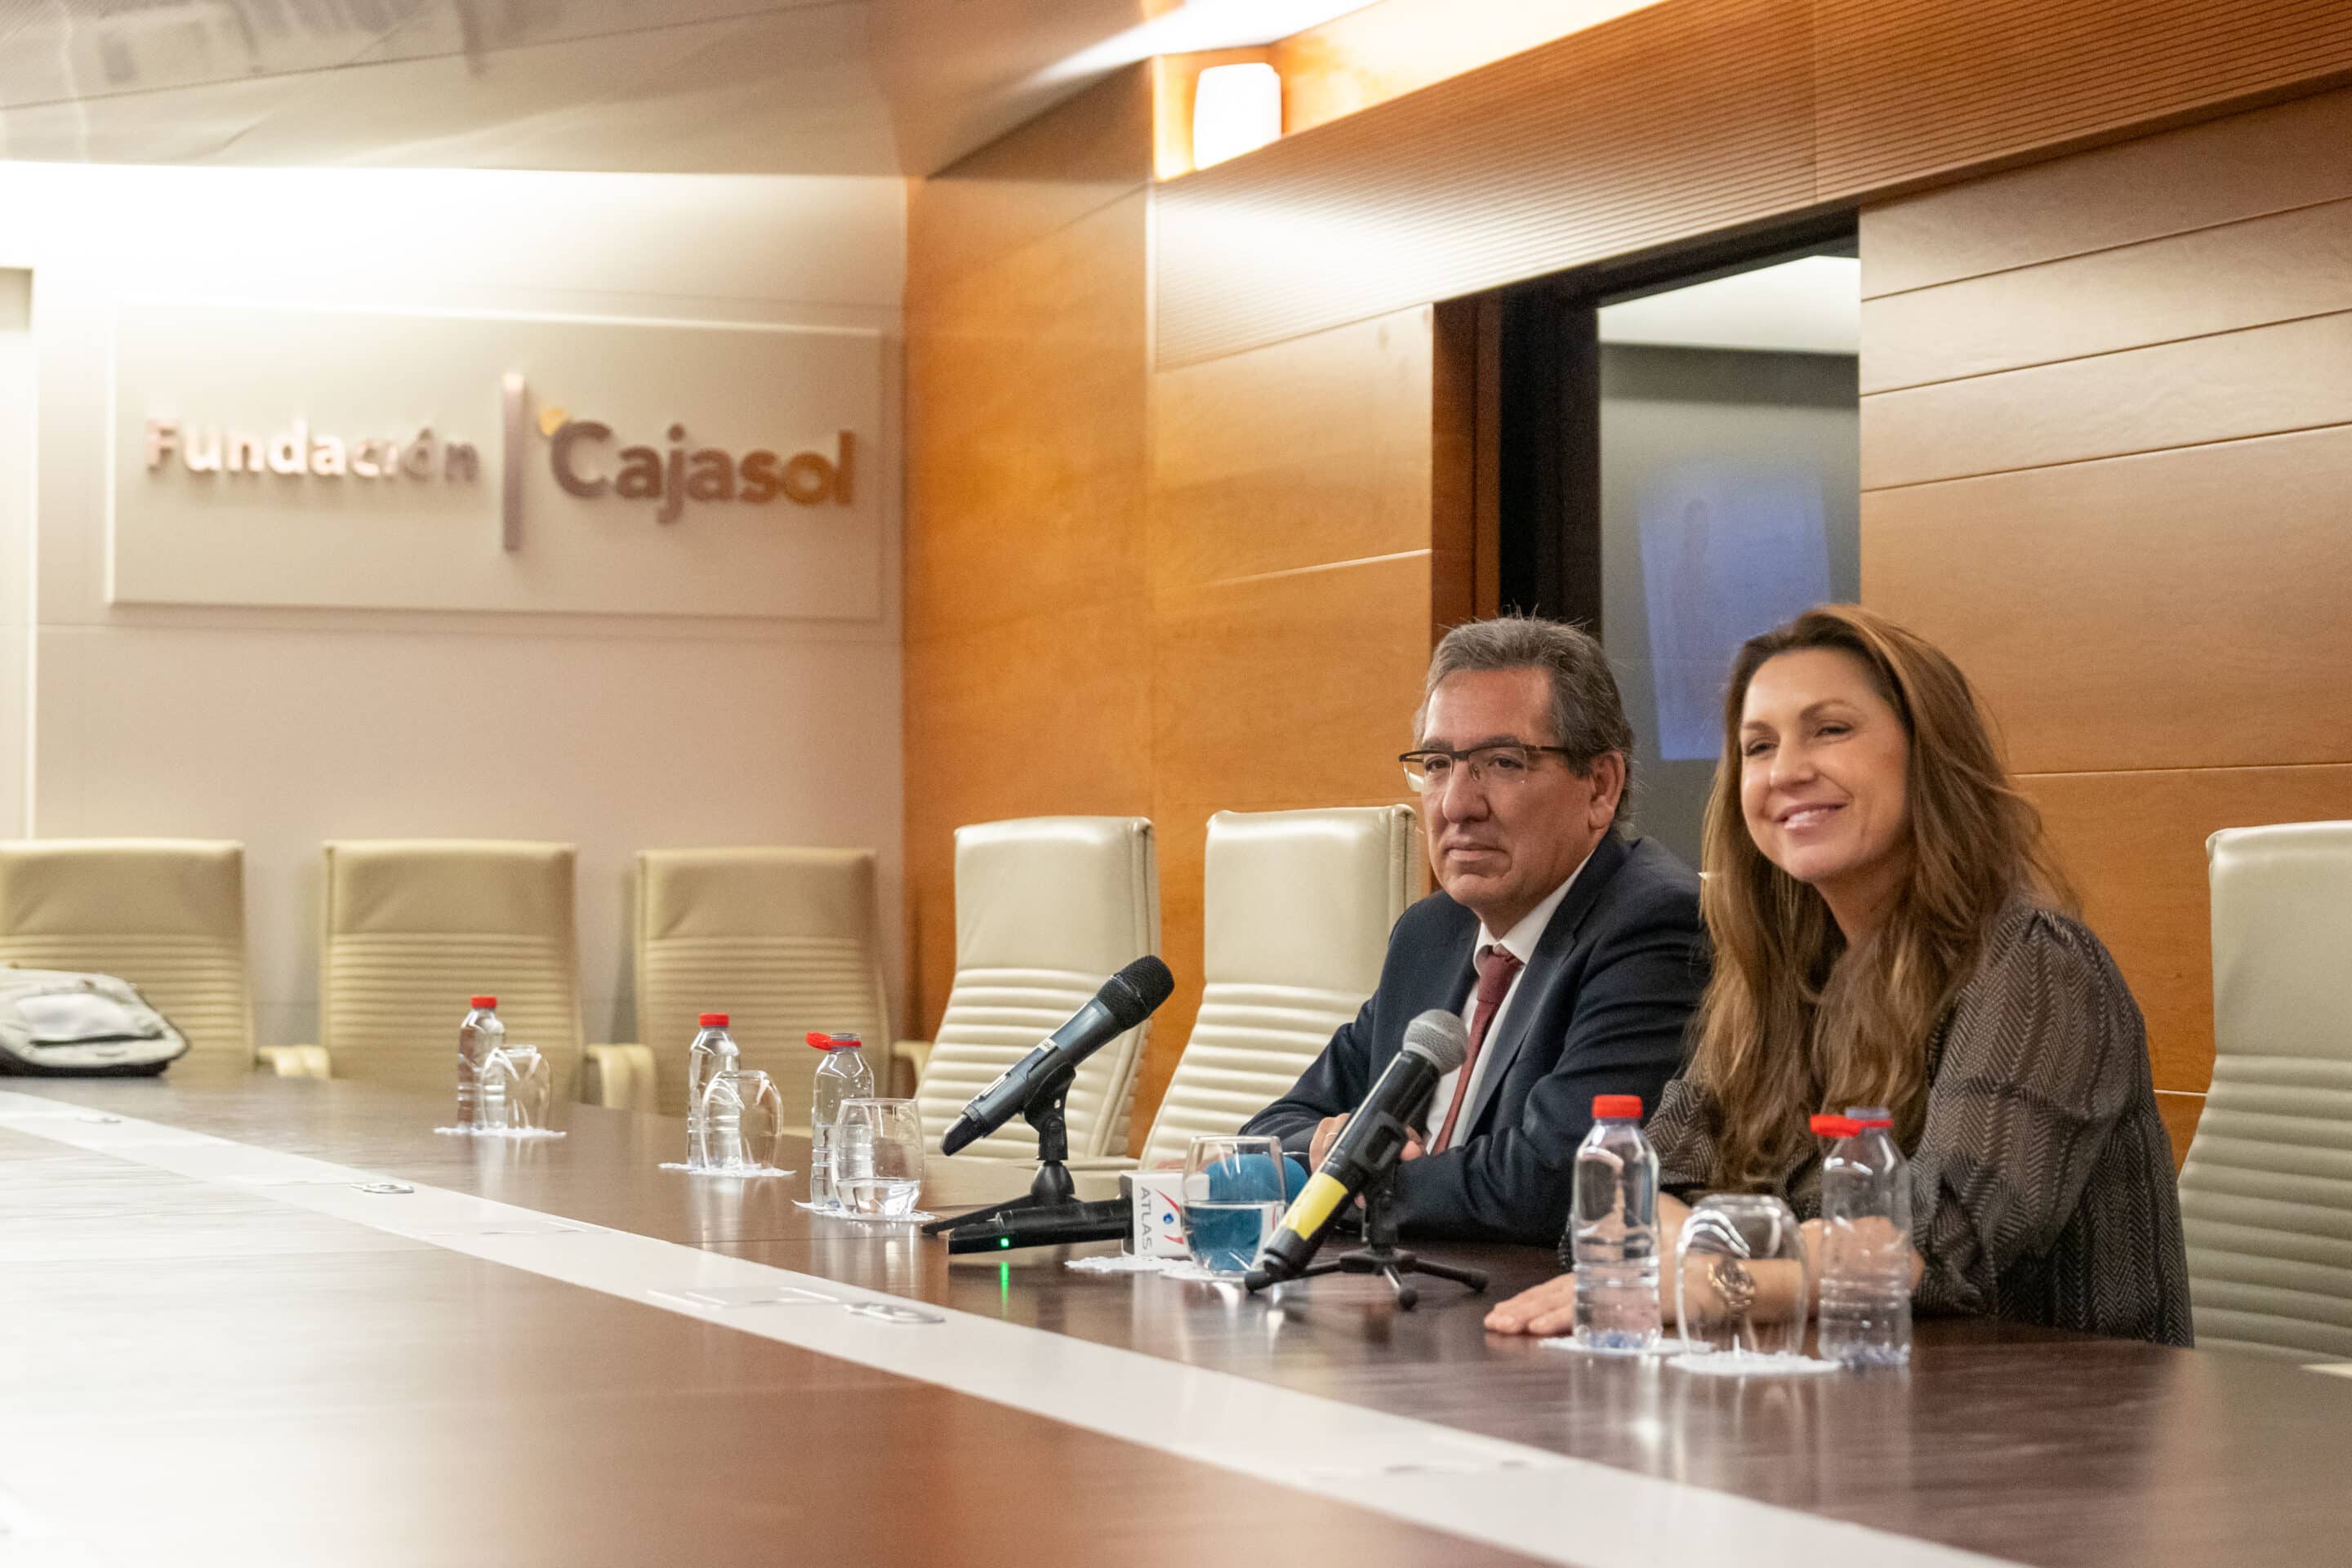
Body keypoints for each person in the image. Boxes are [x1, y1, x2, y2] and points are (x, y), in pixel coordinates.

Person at [1486, 605, 2192, 1345]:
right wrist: (1743, 1261)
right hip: (1834, 1404)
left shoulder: (2036, 967)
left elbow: (1934, 1244)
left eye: (1831, 730)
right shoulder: (1774, 982)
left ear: (1928, 753)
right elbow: (1622, 1197)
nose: (1786, 771)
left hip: (2054, 1429)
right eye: (1758, 746)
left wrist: (1704, 1278)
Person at [1238, 616, 1708, 1244]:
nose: (1457, 803)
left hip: (1530, 1312)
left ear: (1600, 786)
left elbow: (1554, 1180)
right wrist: (1326, 1145)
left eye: (1502, 763)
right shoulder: (1431, 934)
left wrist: (1348, 1181)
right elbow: (1276, 1126)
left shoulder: (1651, 926)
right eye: (1437, 764)